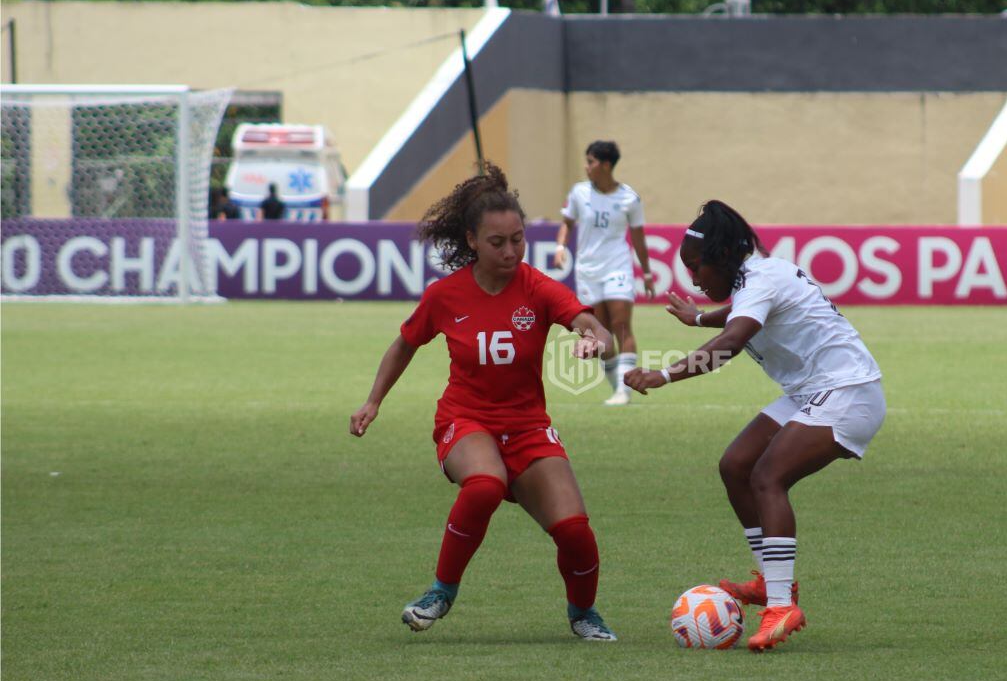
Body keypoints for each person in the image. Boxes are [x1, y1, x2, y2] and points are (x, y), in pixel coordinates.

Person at [349, 163, 619, 642]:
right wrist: (374, 401)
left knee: (575, 530)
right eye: (498, 242)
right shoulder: (445, 295)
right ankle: (440, 592)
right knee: (485, 485)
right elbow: (405, 343)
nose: (512, 250)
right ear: (472, 240)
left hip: (529, 426)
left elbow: (589, 323)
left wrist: (593, 338)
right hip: (465, 419)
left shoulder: (536, 287)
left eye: (518, 239)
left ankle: (583, 613)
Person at [624, 201, 886, 652]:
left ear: (722, 257)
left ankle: (782, 606)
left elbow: (731, 341)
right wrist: (699, 317)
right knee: (736, 465)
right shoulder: (754, 280)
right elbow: (736, 314)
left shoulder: (761, 280)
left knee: (768, 476)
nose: (693, 279)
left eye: (696, 266)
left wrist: (662, 375)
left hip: (848, 392)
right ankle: (771, 581)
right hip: (812, 391)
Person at [553, 140, 655, 406]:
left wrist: (646, 273)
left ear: (606, 165)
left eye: (591, 161)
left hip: (617, 266)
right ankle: (617, 389)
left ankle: (625, 390)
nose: (586, 167)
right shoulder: (579, 193)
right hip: (587, 270)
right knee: (601, 332)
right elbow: (567, 223)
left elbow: (639, 238)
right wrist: (560, 246)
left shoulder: (629, 198)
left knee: (621, 326)